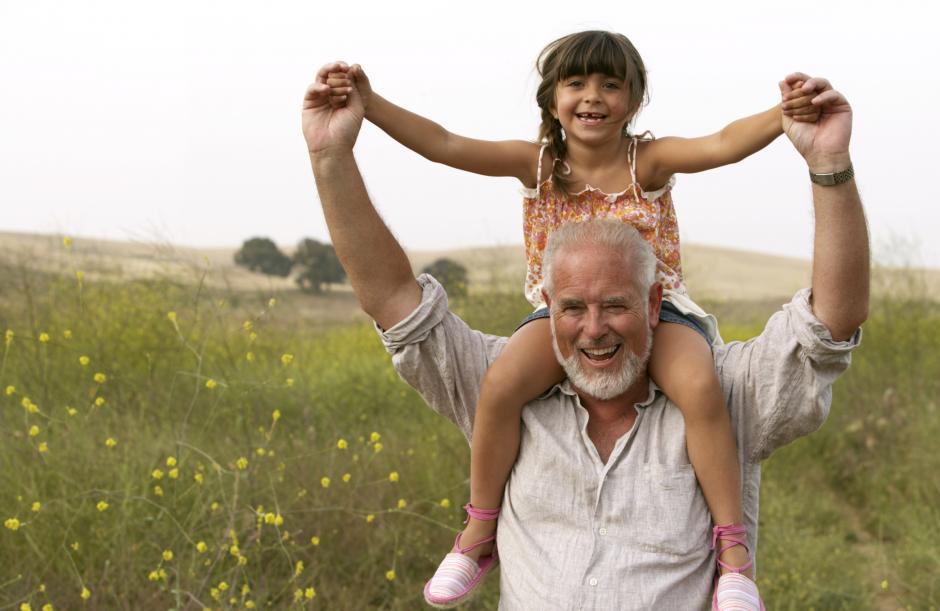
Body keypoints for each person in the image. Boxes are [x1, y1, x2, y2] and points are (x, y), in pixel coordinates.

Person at [303, 62, 868, 609]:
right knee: (499, 385)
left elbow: (721, 142)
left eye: (611, 85)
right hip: (555, 322)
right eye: (576, 84)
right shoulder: (538, 164)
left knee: (700, 387)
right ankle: (478, 532)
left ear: (634, 100)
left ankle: (732, 556)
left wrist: (783, 115)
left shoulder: (648, 160)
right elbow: (444, 142)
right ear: (552, 100)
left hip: (665, 315)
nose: (593, 97)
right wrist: (369, 109)